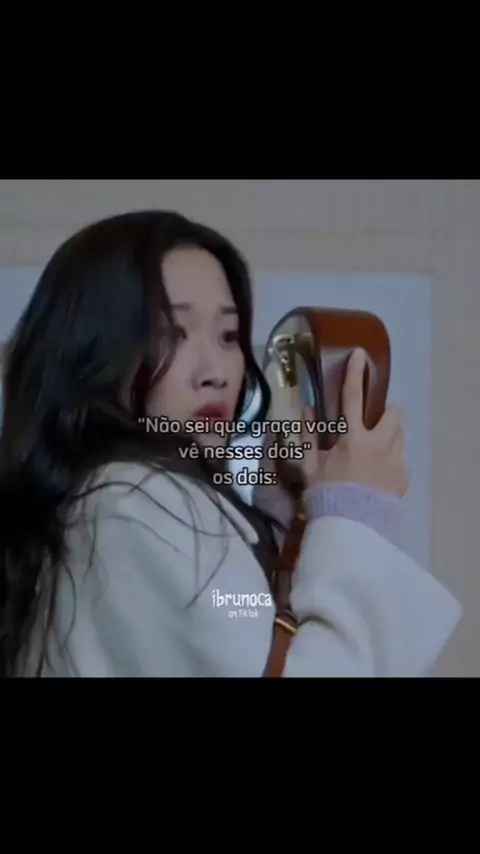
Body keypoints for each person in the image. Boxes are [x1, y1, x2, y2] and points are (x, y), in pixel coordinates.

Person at [0, 210, 461, 677]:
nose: (215, 372)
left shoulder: (112, 506)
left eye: (228, 336)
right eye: (171, 336)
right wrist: (354, 518)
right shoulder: (133, 503)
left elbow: (245, 631)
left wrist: (290, 530)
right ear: (94, 352)